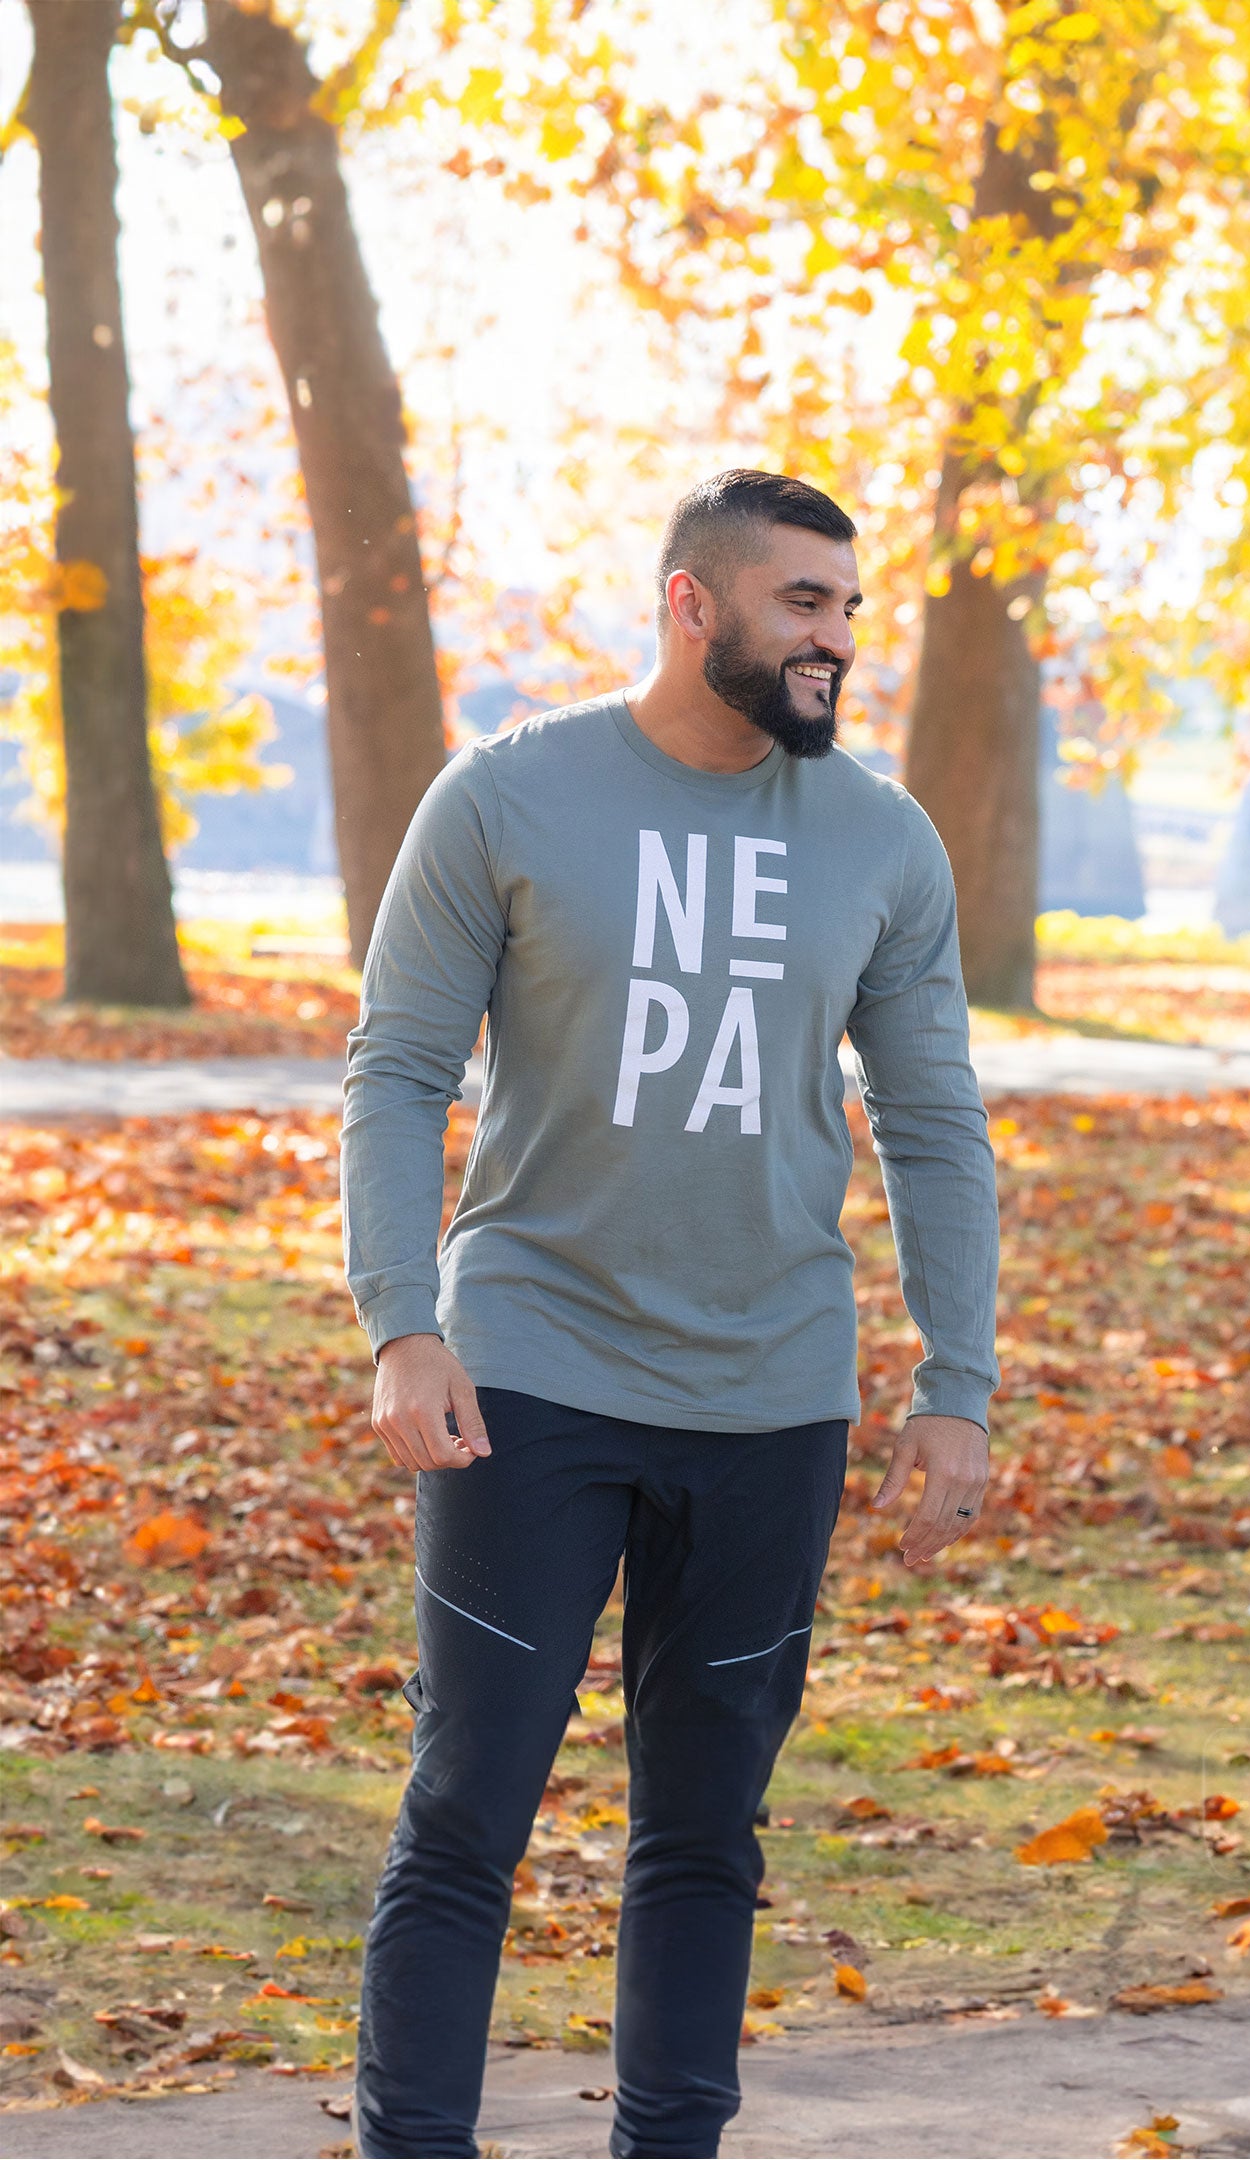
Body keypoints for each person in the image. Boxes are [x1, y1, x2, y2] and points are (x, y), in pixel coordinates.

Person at [340, 470, 1000, 2160]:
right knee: (470, 1805)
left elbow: (932, 1122)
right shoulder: (507, 796)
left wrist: (959, 1380)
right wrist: (400, 1321)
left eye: (848, 611)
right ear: (690, 605)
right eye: (802, 605)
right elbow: (400, 1068)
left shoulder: (882, 839)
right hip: (532, 1372)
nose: (835, 642)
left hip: (775, 1390)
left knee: (707, 1829)